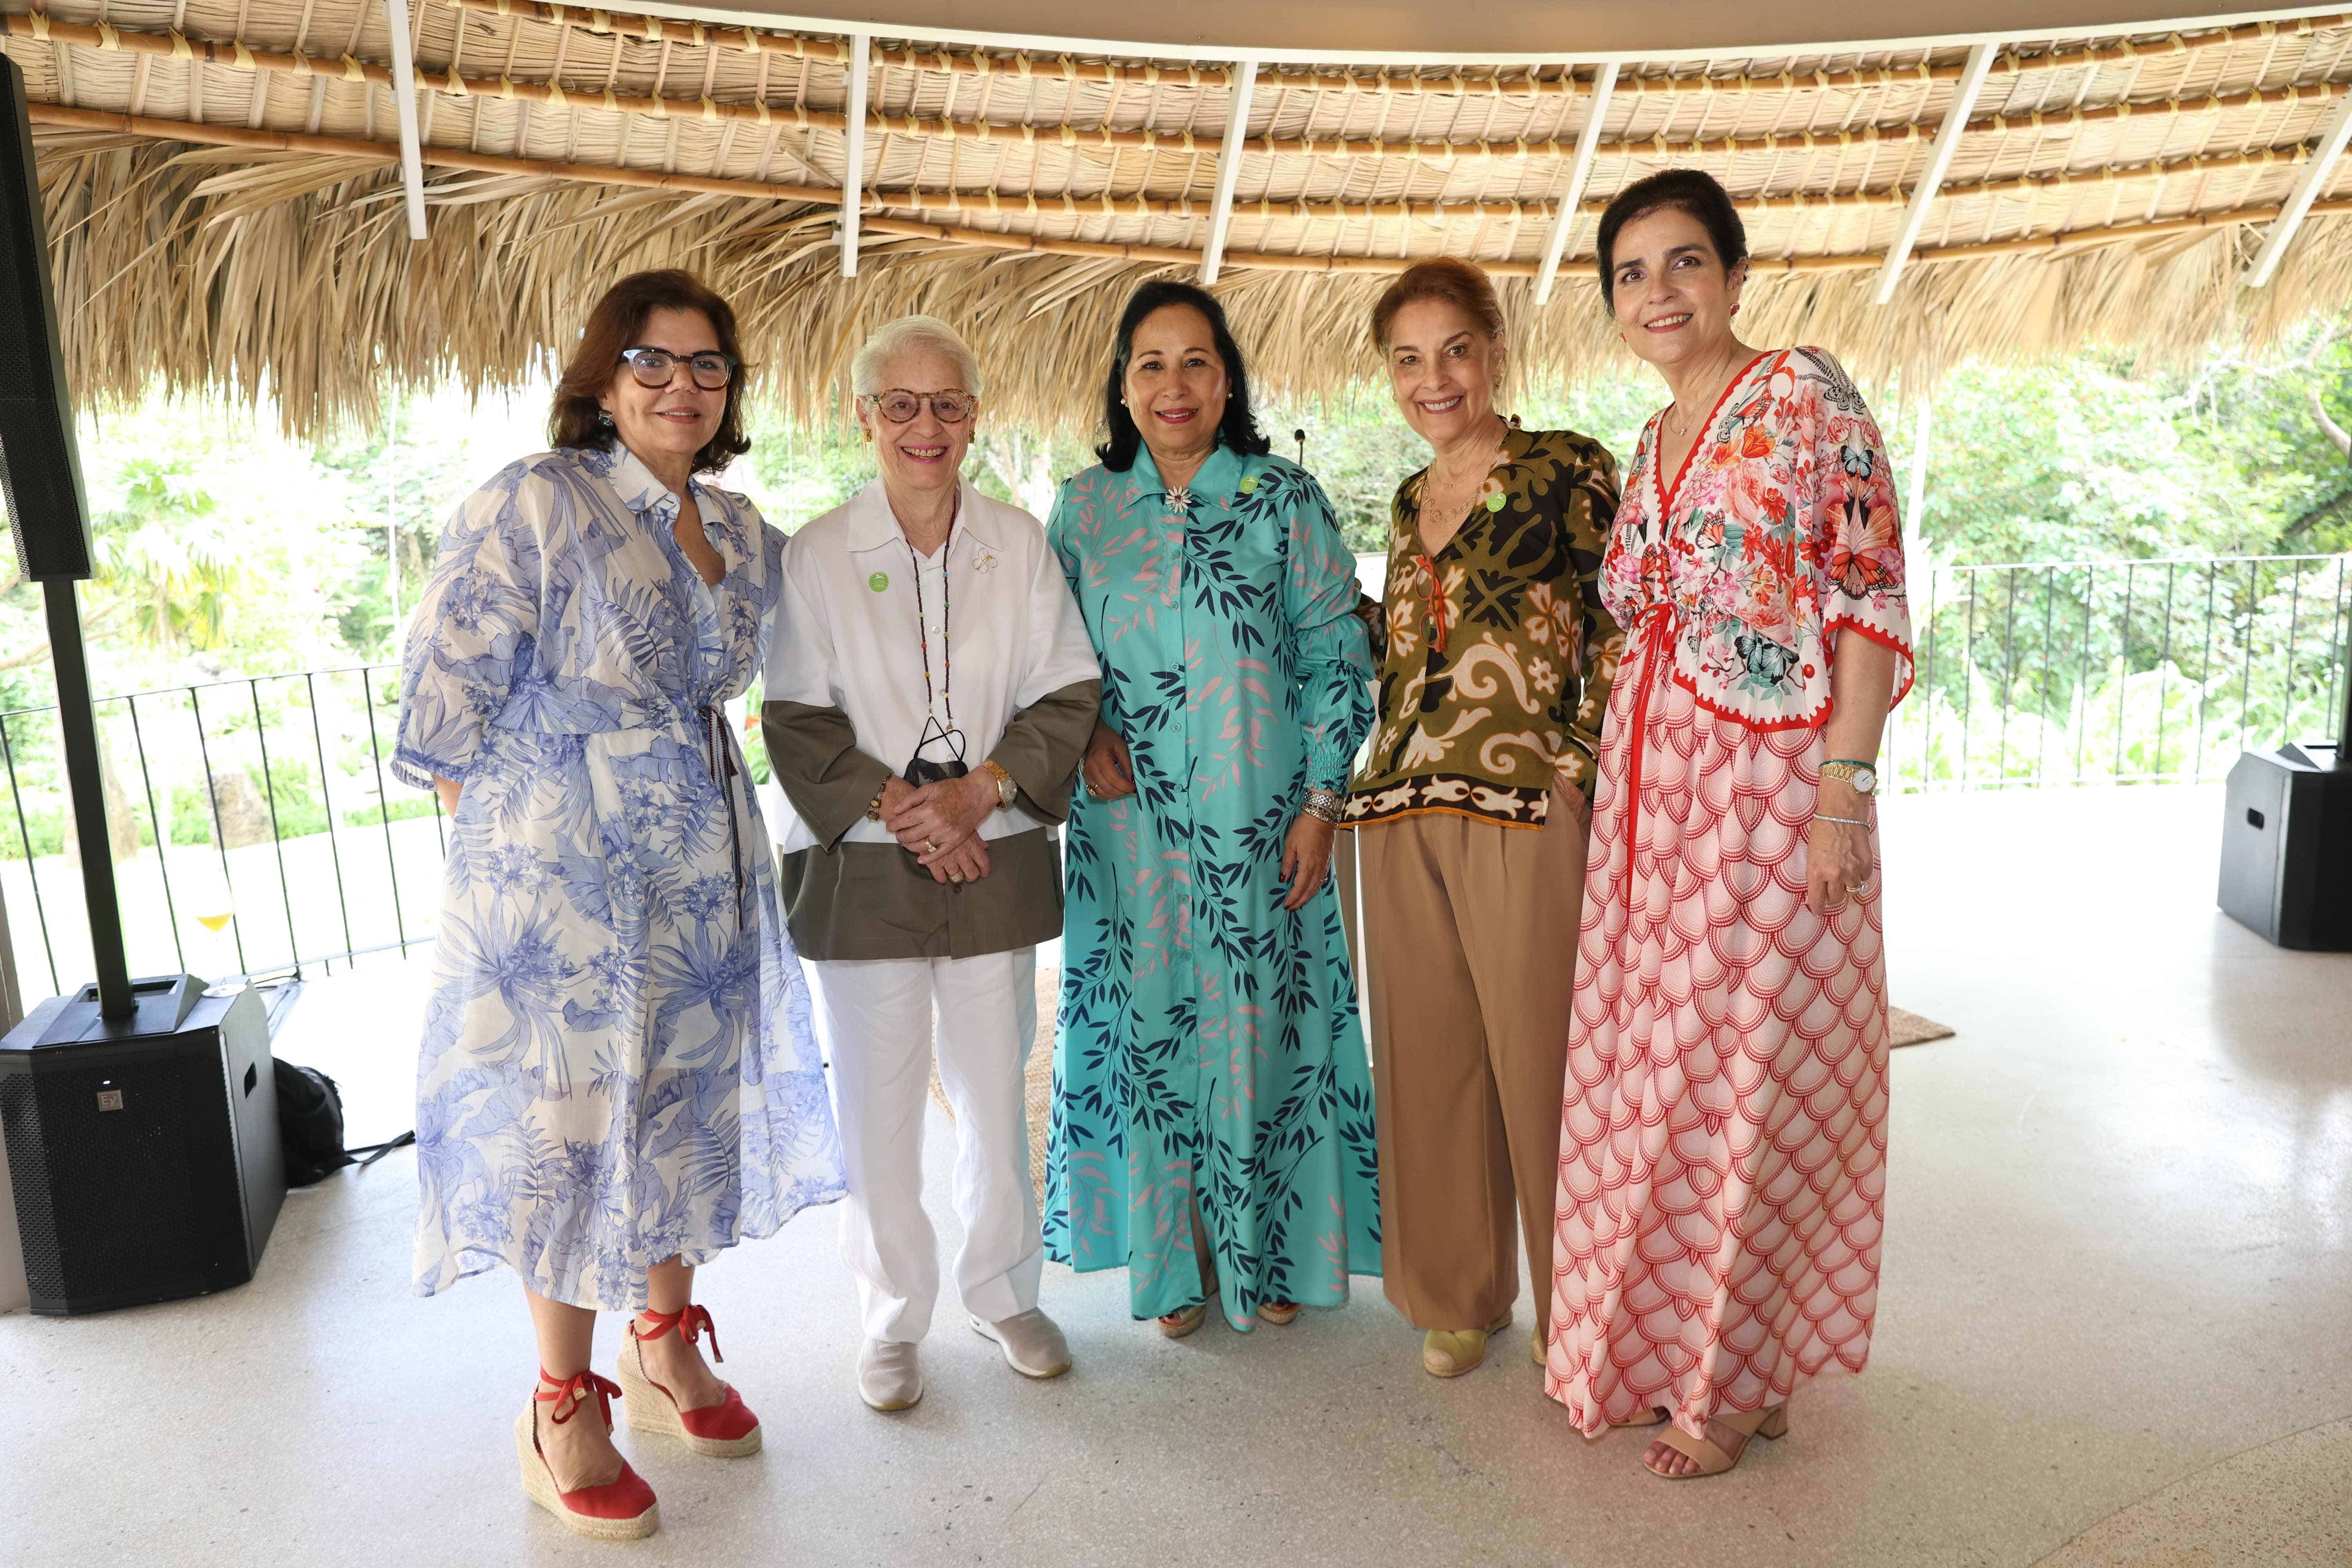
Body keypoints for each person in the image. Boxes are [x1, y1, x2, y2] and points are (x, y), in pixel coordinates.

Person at [393, 269, 846, 1541]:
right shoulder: (538, 498)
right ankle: (559, 1405)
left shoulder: (746, 528)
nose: (681, 387)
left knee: (680, 1103)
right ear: (601, 377)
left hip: (702, 855)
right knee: (571, 1126)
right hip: (566, 870)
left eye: (708, 366)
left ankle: (662, 1343)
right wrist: (527, 871)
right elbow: (445, 702)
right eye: (653, 361)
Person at [1543, 167, 1912, 1479]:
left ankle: (1735, 1376)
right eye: (1632, 273)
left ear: (1737, 276)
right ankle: (1713, 1360)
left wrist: (1842, 795)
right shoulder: (1649, 441)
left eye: (1685, 261)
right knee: (1667, 1091)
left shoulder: (1810, 395)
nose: (1660, 291)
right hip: (1656, 811)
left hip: (1771, 802)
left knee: (1750, 1086)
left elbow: (1869, 598)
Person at [761, 314, 1101, 1414]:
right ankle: (890, 1317)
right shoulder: (815, 552)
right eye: (899, 405)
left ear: (974, 417)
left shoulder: (1018, 541)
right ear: (862, 418)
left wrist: (979, 794)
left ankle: (1002, 1292)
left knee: (996, 1095)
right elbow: (796, 714)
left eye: (947, 404)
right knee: (881, 1106)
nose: (925, 426)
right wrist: (906, 809)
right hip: (867, 865)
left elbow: (1066, 690)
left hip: (991, 849)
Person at [1044, 281, 1381, 1337]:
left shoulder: (1285, 498)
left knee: (1267, 1024)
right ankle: (1178, 1260)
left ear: (1226, 381)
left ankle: (1274, 1248)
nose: (1173, 384)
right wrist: (1082, 731)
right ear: (1123, 385)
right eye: (1150, 363)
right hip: (1129, 826)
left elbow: (1337, 657)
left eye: (1195, 362)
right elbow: (1049, 661)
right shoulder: (1084, 509)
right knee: (1152, 1038)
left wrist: (1324, 804)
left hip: (1266, 815)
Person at [1344, 257, 1623, 1380]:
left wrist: (1580, 761)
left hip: (1526, 805)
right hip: (1402, 803)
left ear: (1495, 351)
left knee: (1547, 1067)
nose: (1434, 377)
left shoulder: (1569, 467)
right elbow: (1417, 647)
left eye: (1454, 348)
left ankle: (1591, 1318)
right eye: (1409, 359)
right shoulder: (1411, 498)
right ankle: (1459, 1297)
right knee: (1432, 1066)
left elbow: (1625, 623)